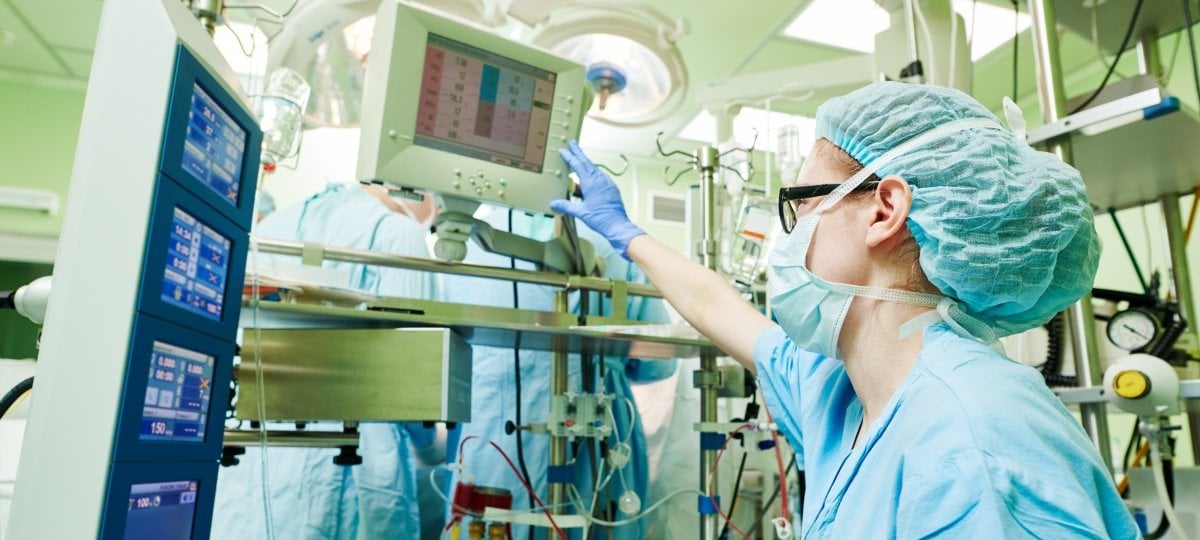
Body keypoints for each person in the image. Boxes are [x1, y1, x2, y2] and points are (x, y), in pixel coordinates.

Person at [552, 82, 1140, 538]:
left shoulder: (975, 445)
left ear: (884, 210)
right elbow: (718, 307)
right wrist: (626, 234)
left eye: (802, 204)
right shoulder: (845, 388)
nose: (789, 237)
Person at [213, 182, 441, 539]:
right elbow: (416, 384)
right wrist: (432, 447)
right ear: (418, 189)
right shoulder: (399, 234)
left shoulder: (272, 227)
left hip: (253, 465)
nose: (435, 216)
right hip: (349, 470)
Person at [441, 207, 676, 539]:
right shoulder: (610, 238)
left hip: (494, 436)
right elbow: (658, 362)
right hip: (600, 436)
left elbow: (443, 350)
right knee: (597, 521)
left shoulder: (470, 237)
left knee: (493, 522)